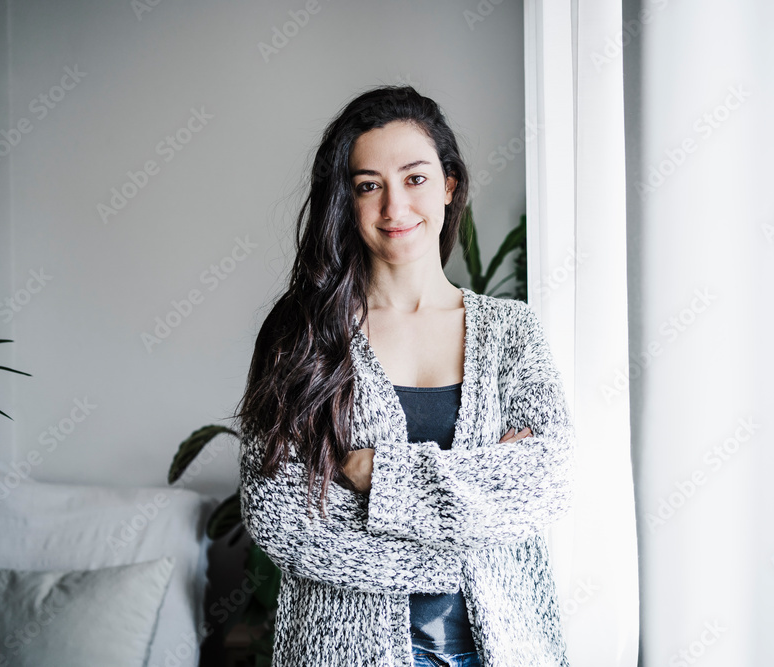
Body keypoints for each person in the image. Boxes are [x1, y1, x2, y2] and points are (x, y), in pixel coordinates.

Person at [236, 84, 576, 667]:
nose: (395, 208)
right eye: (369, 186)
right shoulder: (305, 333)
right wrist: (468, 530)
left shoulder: (512, 332)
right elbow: (283, 518)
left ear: (448, 185)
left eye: (415, 178)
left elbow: (541, 484)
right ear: (347, 201)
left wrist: (381, 478)